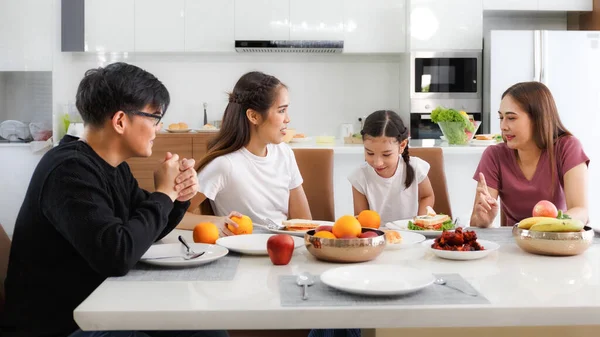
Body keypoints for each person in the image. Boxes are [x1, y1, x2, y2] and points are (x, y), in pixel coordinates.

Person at [1, 62, 228, 337]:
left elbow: (144, 232)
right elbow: (117, 255)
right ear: (120, 121)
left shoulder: (113, 166)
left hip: (100, 307)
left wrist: (178, 196)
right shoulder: (69, 170)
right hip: (64, 326)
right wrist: (163, 194)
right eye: (154, 117)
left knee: (205, 329)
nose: (158, 128)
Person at [186, 71, 312, 225]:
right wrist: (218, 222)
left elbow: (304, 222)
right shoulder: (225, 165)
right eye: (281, 110)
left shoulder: (285, 153)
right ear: (253, 116)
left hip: (282, 245)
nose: (288, 119)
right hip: (239, 247)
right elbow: (176, 217)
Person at [471, 81, 589, 227]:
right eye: (501, 118)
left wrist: (548, 227)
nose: (503, 126)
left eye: (511, 118)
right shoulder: (494, 155)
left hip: (556, 239)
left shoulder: (567, 147)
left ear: (538, 118)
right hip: (512, 245)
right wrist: (483, 220)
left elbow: (581, 211)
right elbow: (475, 224)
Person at [347, 110, 434, 223]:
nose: (377, 162)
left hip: (414, 235)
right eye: (370, 153)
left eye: (386, 154)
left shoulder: (416, 167)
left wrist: (421, 222)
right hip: (378, 238)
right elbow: (362, 220)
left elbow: (427, 196)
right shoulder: (359, 177)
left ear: (402, 145)